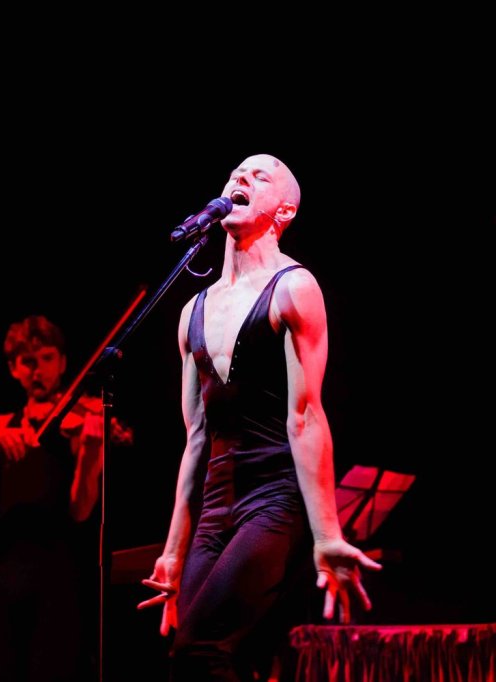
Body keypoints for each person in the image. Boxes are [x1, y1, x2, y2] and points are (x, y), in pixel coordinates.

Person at [137, 154, 382, 680]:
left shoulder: (294, 288)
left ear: (284, 211)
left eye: (259, 176)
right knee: (197, 657)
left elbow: (306, 416)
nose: (240, 179)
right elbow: (196, 438)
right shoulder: (192, 310)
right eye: (235, 174)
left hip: (274, 498)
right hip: (216, 506)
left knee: (201, 648)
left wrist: (327, 534)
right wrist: (173, 552)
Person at [0, 315, 110, 682]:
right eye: (28, 362)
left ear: (63, 363)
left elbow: (81, 511)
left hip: (58, 575)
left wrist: (91, 453)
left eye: (47, 358)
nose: (39, 371)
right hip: (4, 574)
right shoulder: (0, 425)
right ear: (13, 369)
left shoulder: (82, 419)